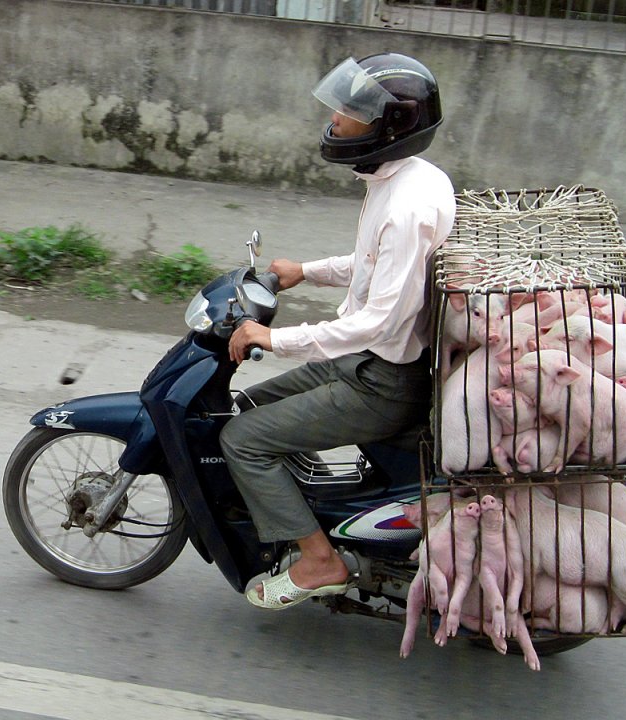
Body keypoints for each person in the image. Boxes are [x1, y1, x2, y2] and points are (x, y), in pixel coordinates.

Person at [219, 53, 456, 610]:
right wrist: (308, 271)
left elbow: (379, 319)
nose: (337, 119)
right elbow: (374, 265)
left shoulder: (406, 207)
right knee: (244, 406)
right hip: (367, 363)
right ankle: (310, 514)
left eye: (353, 111)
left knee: (241, 441)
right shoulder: (409, 179)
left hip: (382, 380)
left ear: (387, 128)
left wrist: (275, 339)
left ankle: (319, 561)